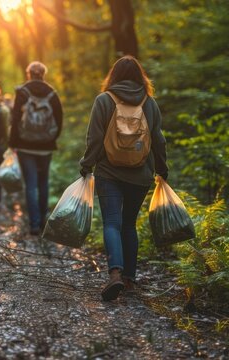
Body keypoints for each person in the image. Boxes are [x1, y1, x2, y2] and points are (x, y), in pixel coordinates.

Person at [79, 55, 168, 301]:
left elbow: (94, 139)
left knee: (111, 223)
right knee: (129, 224)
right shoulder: (149, 103)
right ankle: (129, 278)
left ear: (113, 76)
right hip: (140, 173)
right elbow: (159, 140)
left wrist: (86, 164)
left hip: (109, 172)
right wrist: (162, 168)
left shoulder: (104, 100)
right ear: (141, 77)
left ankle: (114, 274)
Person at [9, 61, 63, 235]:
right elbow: (59, 118)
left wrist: (13, 143)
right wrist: (52, 137)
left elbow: (15, 118)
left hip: (25, 145)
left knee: (30, 184)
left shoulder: (22, 92)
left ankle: (34, 224)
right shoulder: (52, 93)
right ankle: (44, 221)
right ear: (43, 74)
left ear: (29, 74)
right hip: (45, 146)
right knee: (43, 182)